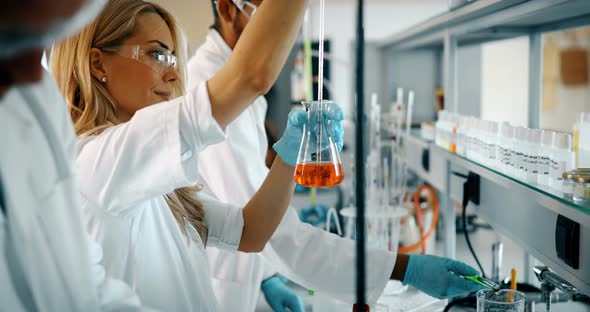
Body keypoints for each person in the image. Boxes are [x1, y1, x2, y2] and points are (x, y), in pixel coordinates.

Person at [188, 1, 485, 311]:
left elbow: (247, 215)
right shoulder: (211, 90)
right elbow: (262, 226)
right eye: (268, 10)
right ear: (227, 9)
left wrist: (266, 278)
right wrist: (403, 268)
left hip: (241, 271)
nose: (282, 28)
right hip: (215, 288)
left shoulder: (236, 86)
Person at [50, 0, 331, 310]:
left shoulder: (154, 176)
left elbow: (251, 231)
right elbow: (253, 76)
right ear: (98, 64)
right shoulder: (98, 160)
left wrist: (290, 153)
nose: (173, 74)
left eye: (172, 57)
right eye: (156, 54)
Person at [0, 0, 155, 310]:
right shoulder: (101, 151)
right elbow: (245, 81)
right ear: (98, 65)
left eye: (45, 40)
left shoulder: (38, 102)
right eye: (11, 42)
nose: (35, 76)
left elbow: (81, 287)